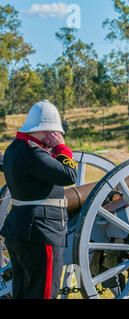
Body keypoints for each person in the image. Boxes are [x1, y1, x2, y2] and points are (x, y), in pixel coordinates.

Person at [0, 100, 77, 299]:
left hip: (21, 230)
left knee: (23, 294)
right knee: (44, 294)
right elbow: (69, 175)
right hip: (41, 233)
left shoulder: (14, 150)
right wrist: (61, 146)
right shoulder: (33, 153)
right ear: (48, 131)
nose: (56, 137)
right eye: (55, 133)